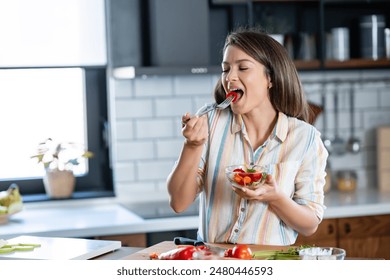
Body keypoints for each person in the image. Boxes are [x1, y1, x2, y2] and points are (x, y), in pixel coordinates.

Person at [166, 26, 328, 245]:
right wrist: (192, 145)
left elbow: (310, 224)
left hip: (270, 264)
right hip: (214, 262)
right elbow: (178, 202)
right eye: (226, 69)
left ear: (270, 78)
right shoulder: (210, 122)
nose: (230, 78)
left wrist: (275, 197)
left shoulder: (305, 138)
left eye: (243, 68)